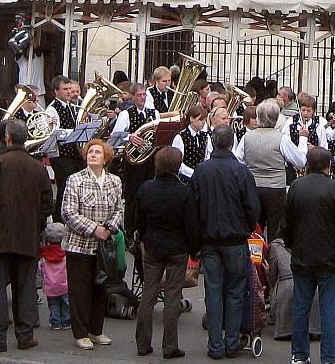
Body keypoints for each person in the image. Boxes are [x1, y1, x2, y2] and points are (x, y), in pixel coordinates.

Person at [0, 120, 53, 352]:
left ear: (7, 138)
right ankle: (25, 335)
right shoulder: (38, 167)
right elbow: (47, 205)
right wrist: (36, 226)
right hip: (27, 236)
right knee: (26, 287)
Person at [280, 147, 335, 364]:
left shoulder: (296, 186)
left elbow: (286, 223)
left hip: (303, 256)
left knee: (301, 307)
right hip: (330, 258)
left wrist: (292, 245)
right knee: (329, 310)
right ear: (328, 165)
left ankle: (299, 355)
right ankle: (330, 357)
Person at [191, 125, 260, 359]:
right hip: (235, 239)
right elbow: (253, 207)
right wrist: (246, 229)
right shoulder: (241, 171)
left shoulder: (201, 170)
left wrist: (198, 236)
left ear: (213, 142)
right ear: (232, 143)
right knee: (235, 291)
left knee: (213, 290)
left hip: (209, 239)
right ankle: (231, 343)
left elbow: (194, 205)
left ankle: (215, 345)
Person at [135, 147, 199, 359]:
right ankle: (170, 346)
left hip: (152, 246)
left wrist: (144, 238)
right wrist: (193, 249)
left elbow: (139, 221)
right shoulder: (184, 191)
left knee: (149, 294)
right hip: (177, 248)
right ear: (178, 166)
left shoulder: (146, 188)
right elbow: (191, 224)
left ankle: (143, 342)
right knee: (172, 296)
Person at [61, 139, 124, 350]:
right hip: (79, 245)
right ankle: (80, 333)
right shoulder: (75, 179)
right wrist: (94, 228)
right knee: (80, 290)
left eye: (97, 152)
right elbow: (68, 212)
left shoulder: (115, 181)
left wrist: (109, 228)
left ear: (106, 158)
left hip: (103, 245)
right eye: (90, 152)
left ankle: (95, 330)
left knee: (100, 288)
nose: (93, 155)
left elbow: (119, 208)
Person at [235, 100, 308, 242]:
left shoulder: (247, 137)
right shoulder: (281, 139)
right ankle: (273, 258)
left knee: (254, 228)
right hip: (275, 189)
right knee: (275, 229)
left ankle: (255, 260)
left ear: (258, 117)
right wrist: (303, 139)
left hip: (253, 187)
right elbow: (300, 161)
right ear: (276, 118)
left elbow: (238, 160)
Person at [111, 82, 160, 237]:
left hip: (150, 159)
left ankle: (145, 228)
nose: (142, 98)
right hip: (133, 161)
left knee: (150, 194)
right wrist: (129, 137)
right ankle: (130, 230)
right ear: (132, 97)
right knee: (133, 195)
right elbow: (116, 135)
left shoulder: (154, 113)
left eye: (144, 94)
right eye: (139, 95)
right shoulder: (126, 114)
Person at [46, 75, 84, 223]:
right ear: (56, 91)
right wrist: (74, 132)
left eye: (70, 88)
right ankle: (59, 220)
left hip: (75, 153)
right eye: (65, 89)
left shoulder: (72, 106)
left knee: (77, 187)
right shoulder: (52, 109)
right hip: (61, 155)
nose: (69, 92)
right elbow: (55, 133)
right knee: (65, 188)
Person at [268, 237, 321, 341]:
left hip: (286, 288)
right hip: (310, 282)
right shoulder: (312, 241)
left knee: (286, 290)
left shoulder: (276, 247)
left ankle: (285, 328)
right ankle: (313, 327)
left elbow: (272, 277)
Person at [39, 222, 70, 331]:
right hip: (64, 285)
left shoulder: (44, 255)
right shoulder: (65, 254)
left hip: (50, 286)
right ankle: (66, 321)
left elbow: (41, 269)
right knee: (66, 304)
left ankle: (55, 322)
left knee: (53, 304)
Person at [171, 105, 209, 182]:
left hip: (201, 178)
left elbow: (206, 157)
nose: (203, 123)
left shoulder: (205, 136)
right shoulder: (180, 137)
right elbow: (178, 162)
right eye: (200, 120)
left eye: (204, 121)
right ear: (192, 119)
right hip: (184, 179)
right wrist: (194, 173)